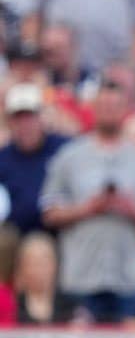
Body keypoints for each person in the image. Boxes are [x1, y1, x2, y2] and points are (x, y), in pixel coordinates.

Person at [39, 80, 135, 323]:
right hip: (80, 276)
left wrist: (130, 209)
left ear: (125, 110)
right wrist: (87, 208)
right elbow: (49, 211)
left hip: (127, 277)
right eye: (104, 105)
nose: (109, 111)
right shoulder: (69, 156)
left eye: (115, 106)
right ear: (93, 109)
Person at [0, 84, 68, 234]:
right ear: (9, 123)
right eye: (18, 119)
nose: (25, 125)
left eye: (30, 117)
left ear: (42, 118)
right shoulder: (3, 158)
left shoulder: (64, 149)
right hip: (15, 230)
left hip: (59, 228)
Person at [14, 231, 78, 325]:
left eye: (44, 263)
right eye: (33, 263)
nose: (39, 270)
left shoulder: (71, 306)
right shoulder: (12, 305)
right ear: (22, 267)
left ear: (56, 265)